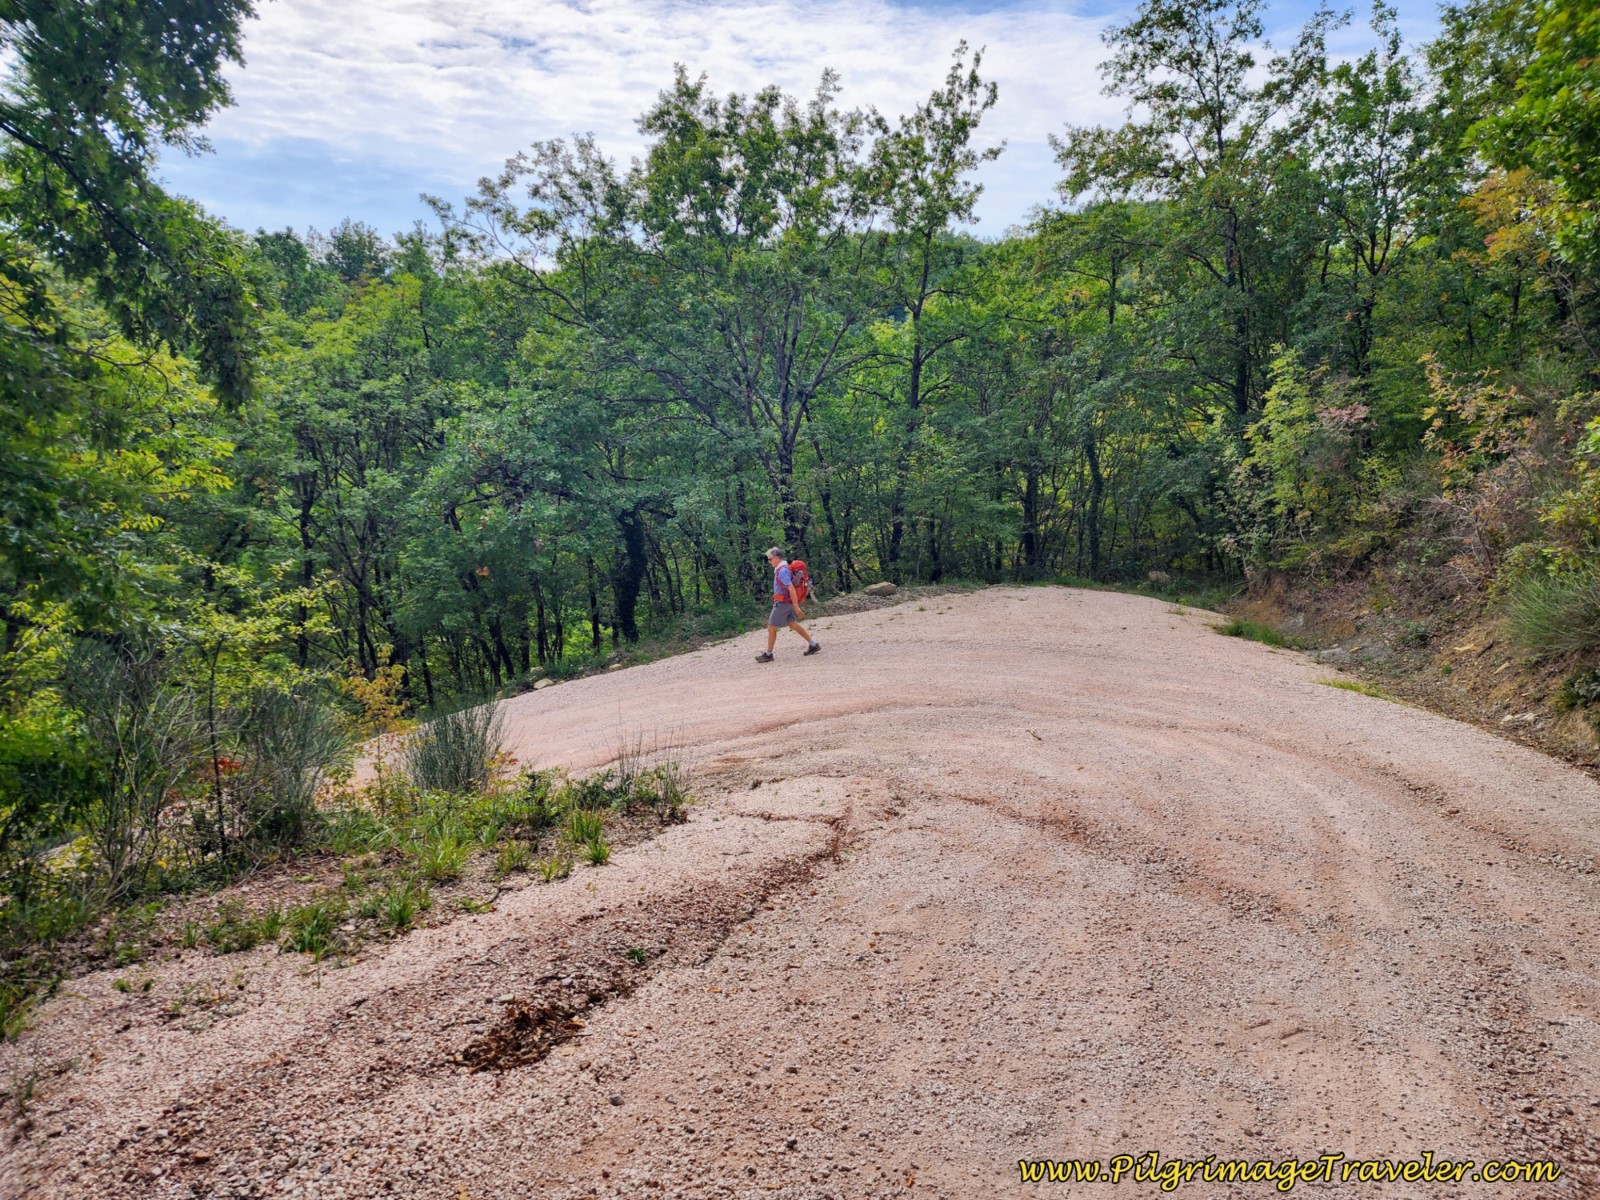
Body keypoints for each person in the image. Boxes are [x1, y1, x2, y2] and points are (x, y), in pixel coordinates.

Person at [756, 547, 820, 662]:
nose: (769, 561)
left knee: (771, 628)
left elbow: (791, 588)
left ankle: (768, 654)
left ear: (776, 558)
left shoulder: (782, 571)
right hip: (787, 602)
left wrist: (796, 607)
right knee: (792, 624)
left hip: (782, 603)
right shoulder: (783, 569)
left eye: (770, 559)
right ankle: (813, 644)